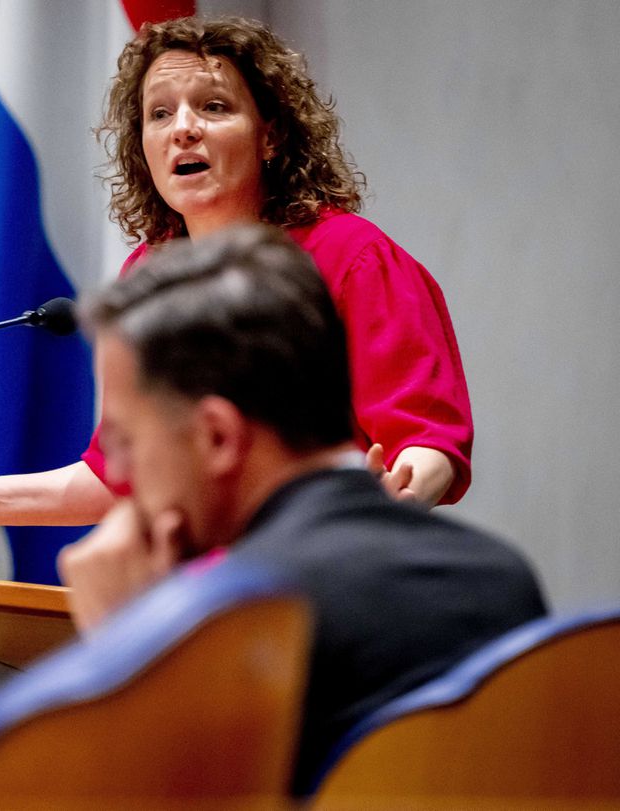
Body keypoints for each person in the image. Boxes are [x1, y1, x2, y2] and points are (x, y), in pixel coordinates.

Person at [0, 15, 472, 561]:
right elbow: (119, 476)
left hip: (323, 579)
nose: (183, 129)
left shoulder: (352, 258)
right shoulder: (149, 275)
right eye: (159, 114)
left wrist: (402, 492)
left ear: (272, 135)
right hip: (196, 604)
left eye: (215, 107)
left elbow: (426, 437)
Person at [57, 223, 545, 793]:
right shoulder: (505, 579)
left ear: (217, 437)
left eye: (125, 441)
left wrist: (127, 650)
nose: (118, 474)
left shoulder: (227, 622)